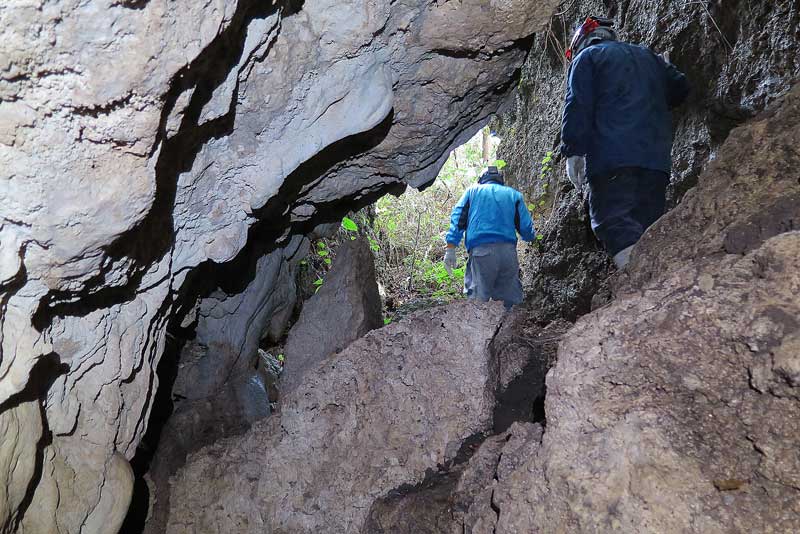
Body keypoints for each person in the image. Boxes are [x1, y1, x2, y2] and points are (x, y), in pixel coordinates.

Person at [561, 16, 689, 268]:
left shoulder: (587, 58)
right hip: (656, 163)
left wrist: (573, 152)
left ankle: (640, 284)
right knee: (648, 228)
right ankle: (659, 284)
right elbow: (681, 88)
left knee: (612, 221)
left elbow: (578, 105)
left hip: (612, 159)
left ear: (581, 43)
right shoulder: (649, 57)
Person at [443, 166, 535, 310]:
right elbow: (526, 229)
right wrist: (530, 237)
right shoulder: (514, 195)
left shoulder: (472, 192)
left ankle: (478, 330)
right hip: (508, 254)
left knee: (478, 299)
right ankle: (509, 330)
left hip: (481, 252)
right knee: (509, 300)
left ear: (481, 179)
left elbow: (458, 219)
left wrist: (451, 248)